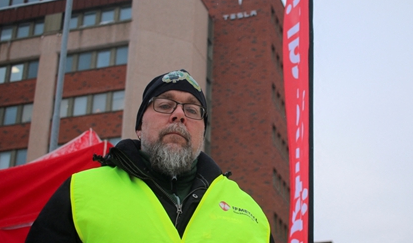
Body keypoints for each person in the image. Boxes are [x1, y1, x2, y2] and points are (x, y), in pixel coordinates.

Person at [26, 69, 273, 242]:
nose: (179, 115)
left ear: (203, 132)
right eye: (165, 105)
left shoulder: (250, 212)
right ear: (139, 127)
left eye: (192, 109)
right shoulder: (81, 192)